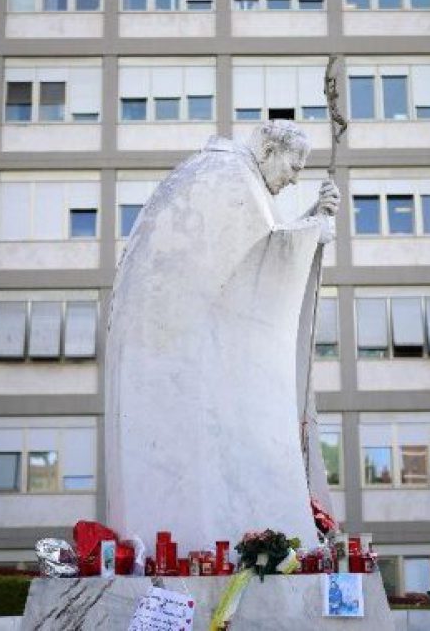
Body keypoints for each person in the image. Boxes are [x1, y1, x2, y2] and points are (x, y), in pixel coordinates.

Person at [104, 121, 341, 554]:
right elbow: (253, 268)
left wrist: (311, 220)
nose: (295, 176)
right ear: (268, 149)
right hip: (180, 370)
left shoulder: (234, 178)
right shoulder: (225, 179)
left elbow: (254, 258)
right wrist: (314, 231)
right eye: (294, 163)